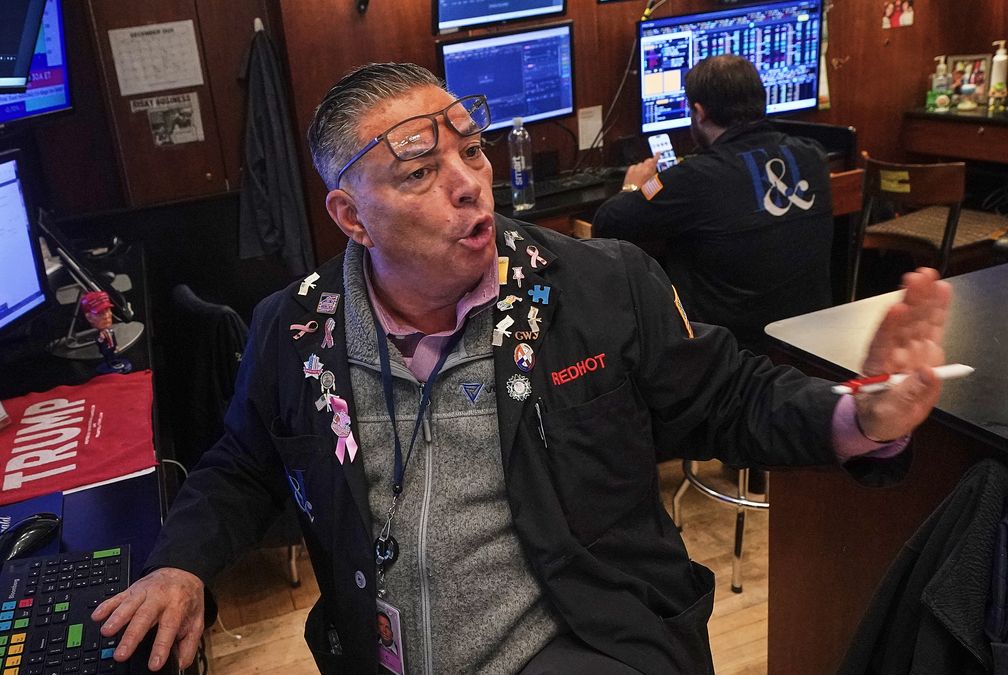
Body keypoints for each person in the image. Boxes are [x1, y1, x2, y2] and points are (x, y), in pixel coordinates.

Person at [91, 62, 952, 673]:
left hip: (587, 641)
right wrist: (181, 563)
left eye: (471, 151)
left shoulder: (600, 283)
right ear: (352, 216)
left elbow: (733, 396)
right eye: (422, 170)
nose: (471, 183)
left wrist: (856, 415)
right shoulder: (293, 328)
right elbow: (243, 463)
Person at [594, 55, 835, 348]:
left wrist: (632, 185)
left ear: (699, 111)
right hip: (810, 342)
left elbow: (607, 223)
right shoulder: (813, 156)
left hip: (734, 354)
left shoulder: (695, 178)